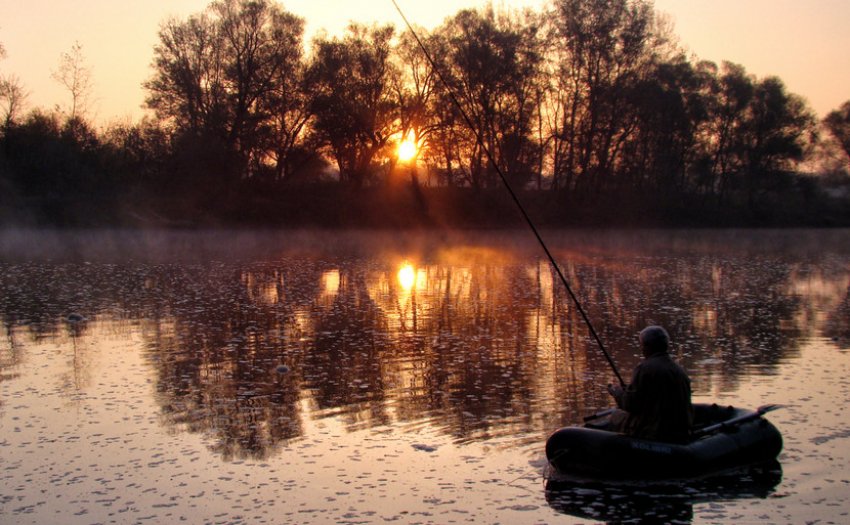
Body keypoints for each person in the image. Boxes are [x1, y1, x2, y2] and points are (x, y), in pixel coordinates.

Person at [607, 325, 693, 443]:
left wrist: (616, 392)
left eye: (642, 345)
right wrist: (628, 389)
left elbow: (630, 404)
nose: (641, 349)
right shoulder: (678, 369)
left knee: (615, 416)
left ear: (648, 346)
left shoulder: (644, 368)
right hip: (680, 431)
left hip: (655, 432)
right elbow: (654, 394)